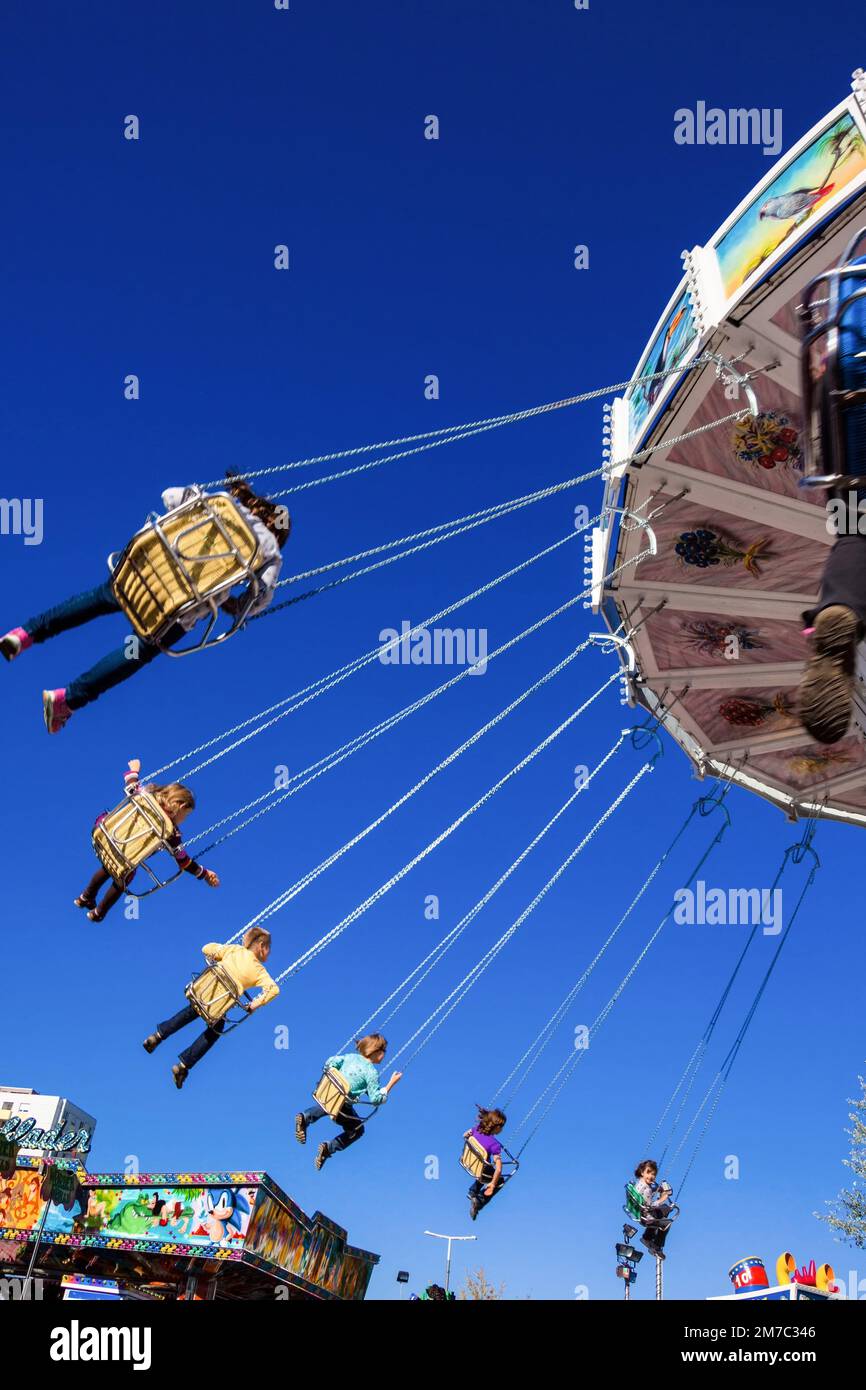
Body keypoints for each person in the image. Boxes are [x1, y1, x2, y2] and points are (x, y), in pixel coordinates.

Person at [0, 474, 290, 733]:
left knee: (96, 599)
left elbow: (169, 496)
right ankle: (66, 699)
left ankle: (25, 634)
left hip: (144, 572)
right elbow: (259, 599)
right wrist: (235, 606)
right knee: (137, 651)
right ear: (276, 530)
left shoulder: (221, 502)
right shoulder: (271, 552)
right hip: (176, 609)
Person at [76, 758, 219, 921]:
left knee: (108, 866)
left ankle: (85, 896)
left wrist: (134, 770)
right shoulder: (171, 832)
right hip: (127, 858)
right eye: (185, 816)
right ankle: (99, 912)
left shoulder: (144, 797)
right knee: (122, 878)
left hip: (107, 835)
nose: (184, 820)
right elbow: (183, 861)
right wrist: (204, 873)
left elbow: (131, 785)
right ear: (179, 806)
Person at [142, 928, 278, 1088]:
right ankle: (183, 1066)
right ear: (261, 946)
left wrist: (215, 955)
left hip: (203, 992)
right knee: (216, 1030)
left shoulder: (234, 950)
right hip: (218, 1006)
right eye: (269, 948)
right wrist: (253, 1005)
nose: (269, 953)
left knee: (192, 1011)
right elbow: (273, 989)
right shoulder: (259, 971)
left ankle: (157, 1036)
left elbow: (206, 948)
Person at [294, 1033, 402, 1169]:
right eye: (384, 1051)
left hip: (328, 1092)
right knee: (357, 1130)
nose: (385, 1055)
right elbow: (376, 1099)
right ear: (377, 1051)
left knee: (331, 1103)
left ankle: (305, 1117)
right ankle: (329, 1148)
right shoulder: (371, 1073)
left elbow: (330, 1062)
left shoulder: (351, 1057)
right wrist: (390, 1084)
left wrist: (336, 1076)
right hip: (342, 1106)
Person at [465, 1106, 508, 1220]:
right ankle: (479, 1201)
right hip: (481, 1170)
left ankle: (472, 1191)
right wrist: (493, 1184)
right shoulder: (495, 1145)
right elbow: (498, 1169)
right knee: (499, 1179)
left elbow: (465, 1136)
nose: (502, 1130)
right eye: (502, 1127)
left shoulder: (476, 1129)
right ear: (497, 1127)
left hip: (470, 1162)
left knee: (485, 1168)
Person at [633, 1158, 674, 1259]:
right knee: (667, 1223)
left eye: (654, 1174)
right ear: (642, 1172)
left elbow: (648, 1189)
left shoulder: (640, 1183)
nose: (651, 1176)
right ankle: (657, 1245)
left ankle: (648, 1236)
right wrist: (663, 1198)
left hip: (641, 1213)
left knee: (666, 1208)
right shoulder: (646, 1189)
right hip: (647, 1216)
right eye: (649, 1173)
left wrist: (657, 1188)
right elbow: (650, 1205)